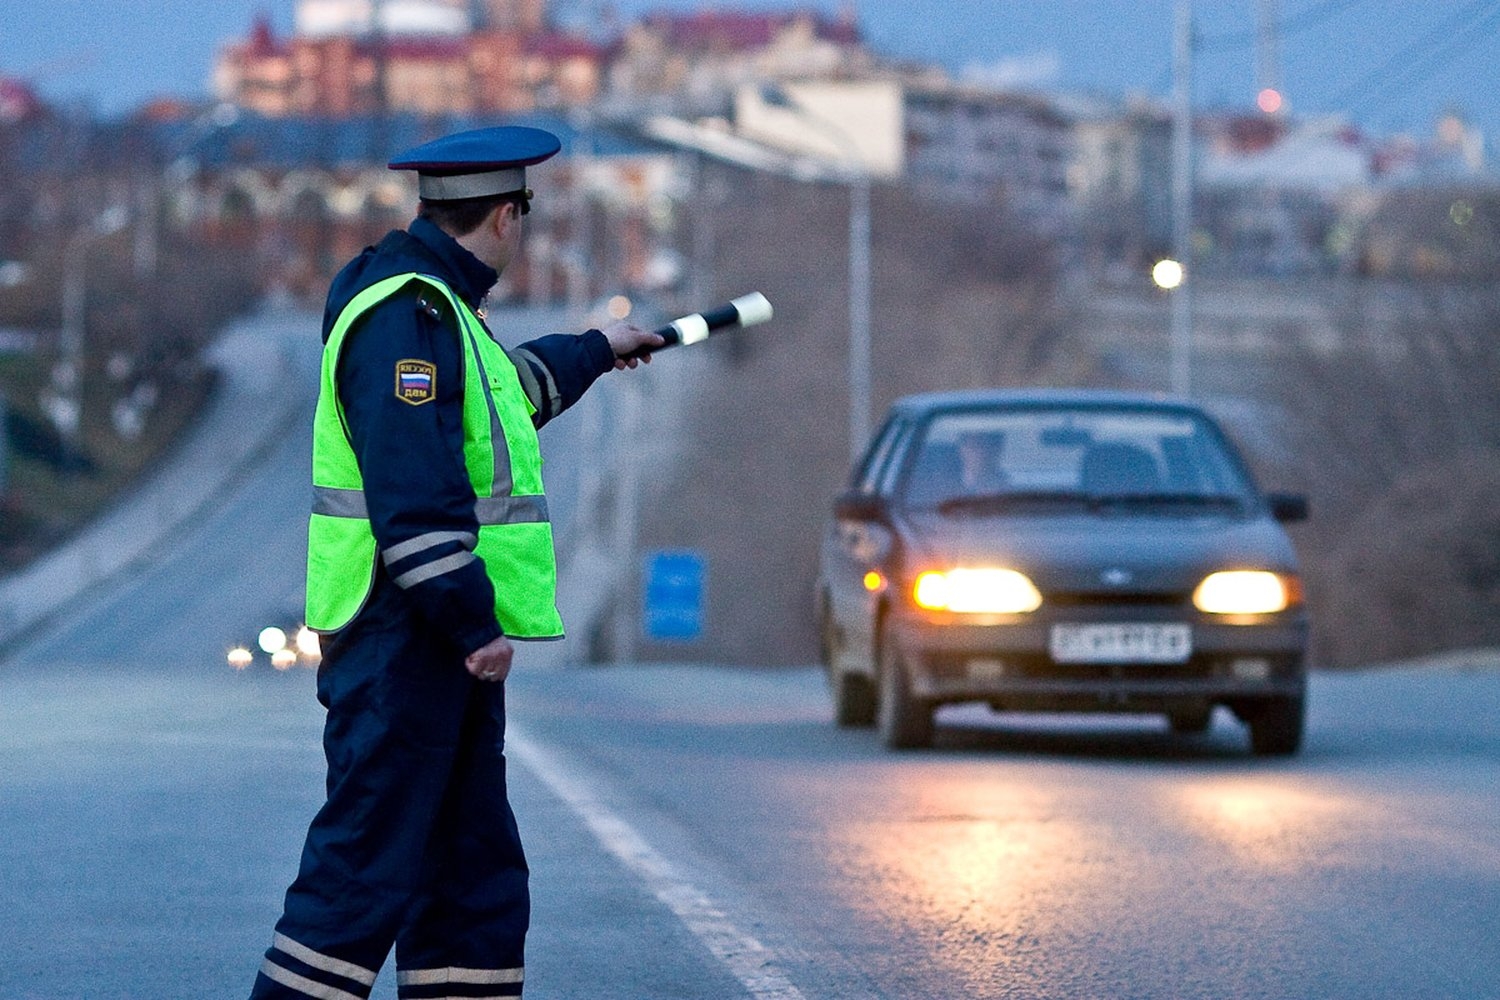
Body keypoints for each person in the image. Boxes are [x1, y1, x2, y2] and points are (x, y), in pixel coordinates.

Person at [249, 125, 663, 1000]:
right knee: (361, 874)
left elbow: (500, 401)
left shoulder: (436, 308)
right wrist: (473, 625)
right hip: (405, 636)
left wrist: (598, 346)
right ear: (508, 216)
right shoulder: (407, 314)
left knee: (469, 876)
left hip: (423, 640)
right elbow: (414, 489)